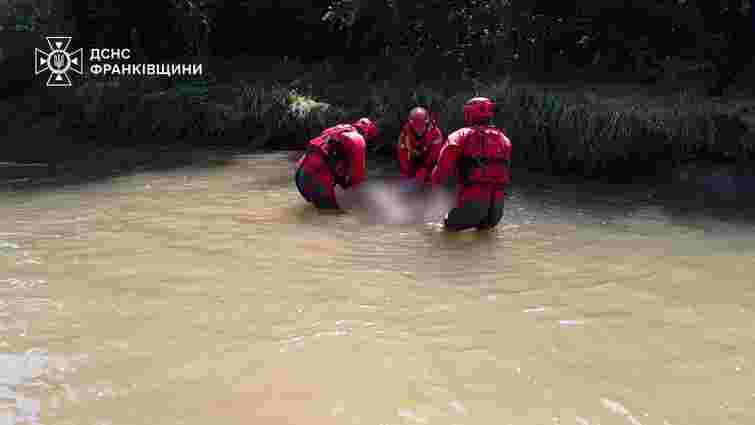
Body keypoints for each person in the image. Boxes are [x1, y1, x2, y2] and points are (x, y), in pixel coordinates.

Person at [429, 97, 512, 231]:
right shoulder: (504, 140)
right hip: (496, 208)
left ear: (468, 114)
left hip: (473, 203)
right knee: (483, 242)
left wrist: (430, 186)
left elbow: (442, 170)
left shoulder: (460, 135)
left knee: (442, 232)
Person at [295, 118, 379, 209]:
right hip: (317, 176)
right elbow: (356, 177)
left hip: (300, 173)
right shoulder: (358, 139)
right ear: (367, 134)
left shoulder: (335, 130)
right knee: (333, 215)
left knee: (319, 212)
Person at [397, 106, 444, 186]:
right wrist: (408, 170)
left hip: (430, 158)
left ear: (426, 123)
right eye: (416, 127)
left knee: (434, 176)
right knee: (406, 175)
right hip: (413, 156)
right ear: (411, 124)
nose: (419, 130)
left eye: (421, 126)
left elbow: (435, 153)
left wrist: (425, 167)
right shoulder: (404, 134)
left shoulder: (436, 133)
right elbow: (402, 154)